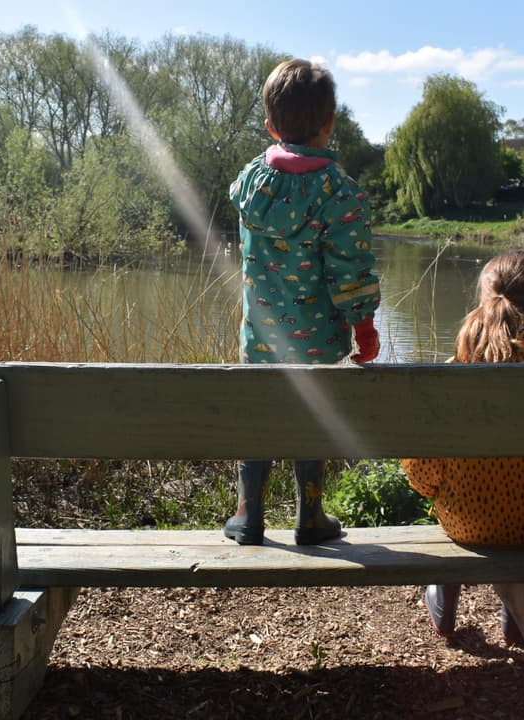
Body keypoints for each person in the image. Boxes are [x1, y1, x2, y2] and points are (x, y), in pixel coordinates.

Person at [224, 58, 381, 546]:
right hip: (316, 342)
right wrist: (364, 327)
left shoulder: (252, 184)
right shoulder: (339, 193)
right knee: (311, 415)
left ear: (271, 126)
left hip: (259, 341)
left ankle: (248, 516)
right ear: (330, 123)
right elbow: (349, 273)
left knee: (256, 414)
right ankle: (310, 515)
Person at [402, 249, 524, 642]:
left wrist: (437, 489)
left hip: (468, 523)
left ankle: (444, 596)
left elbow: (423, 473)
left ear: (484, 298)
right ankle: (517, 610)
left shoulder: (454, 374)